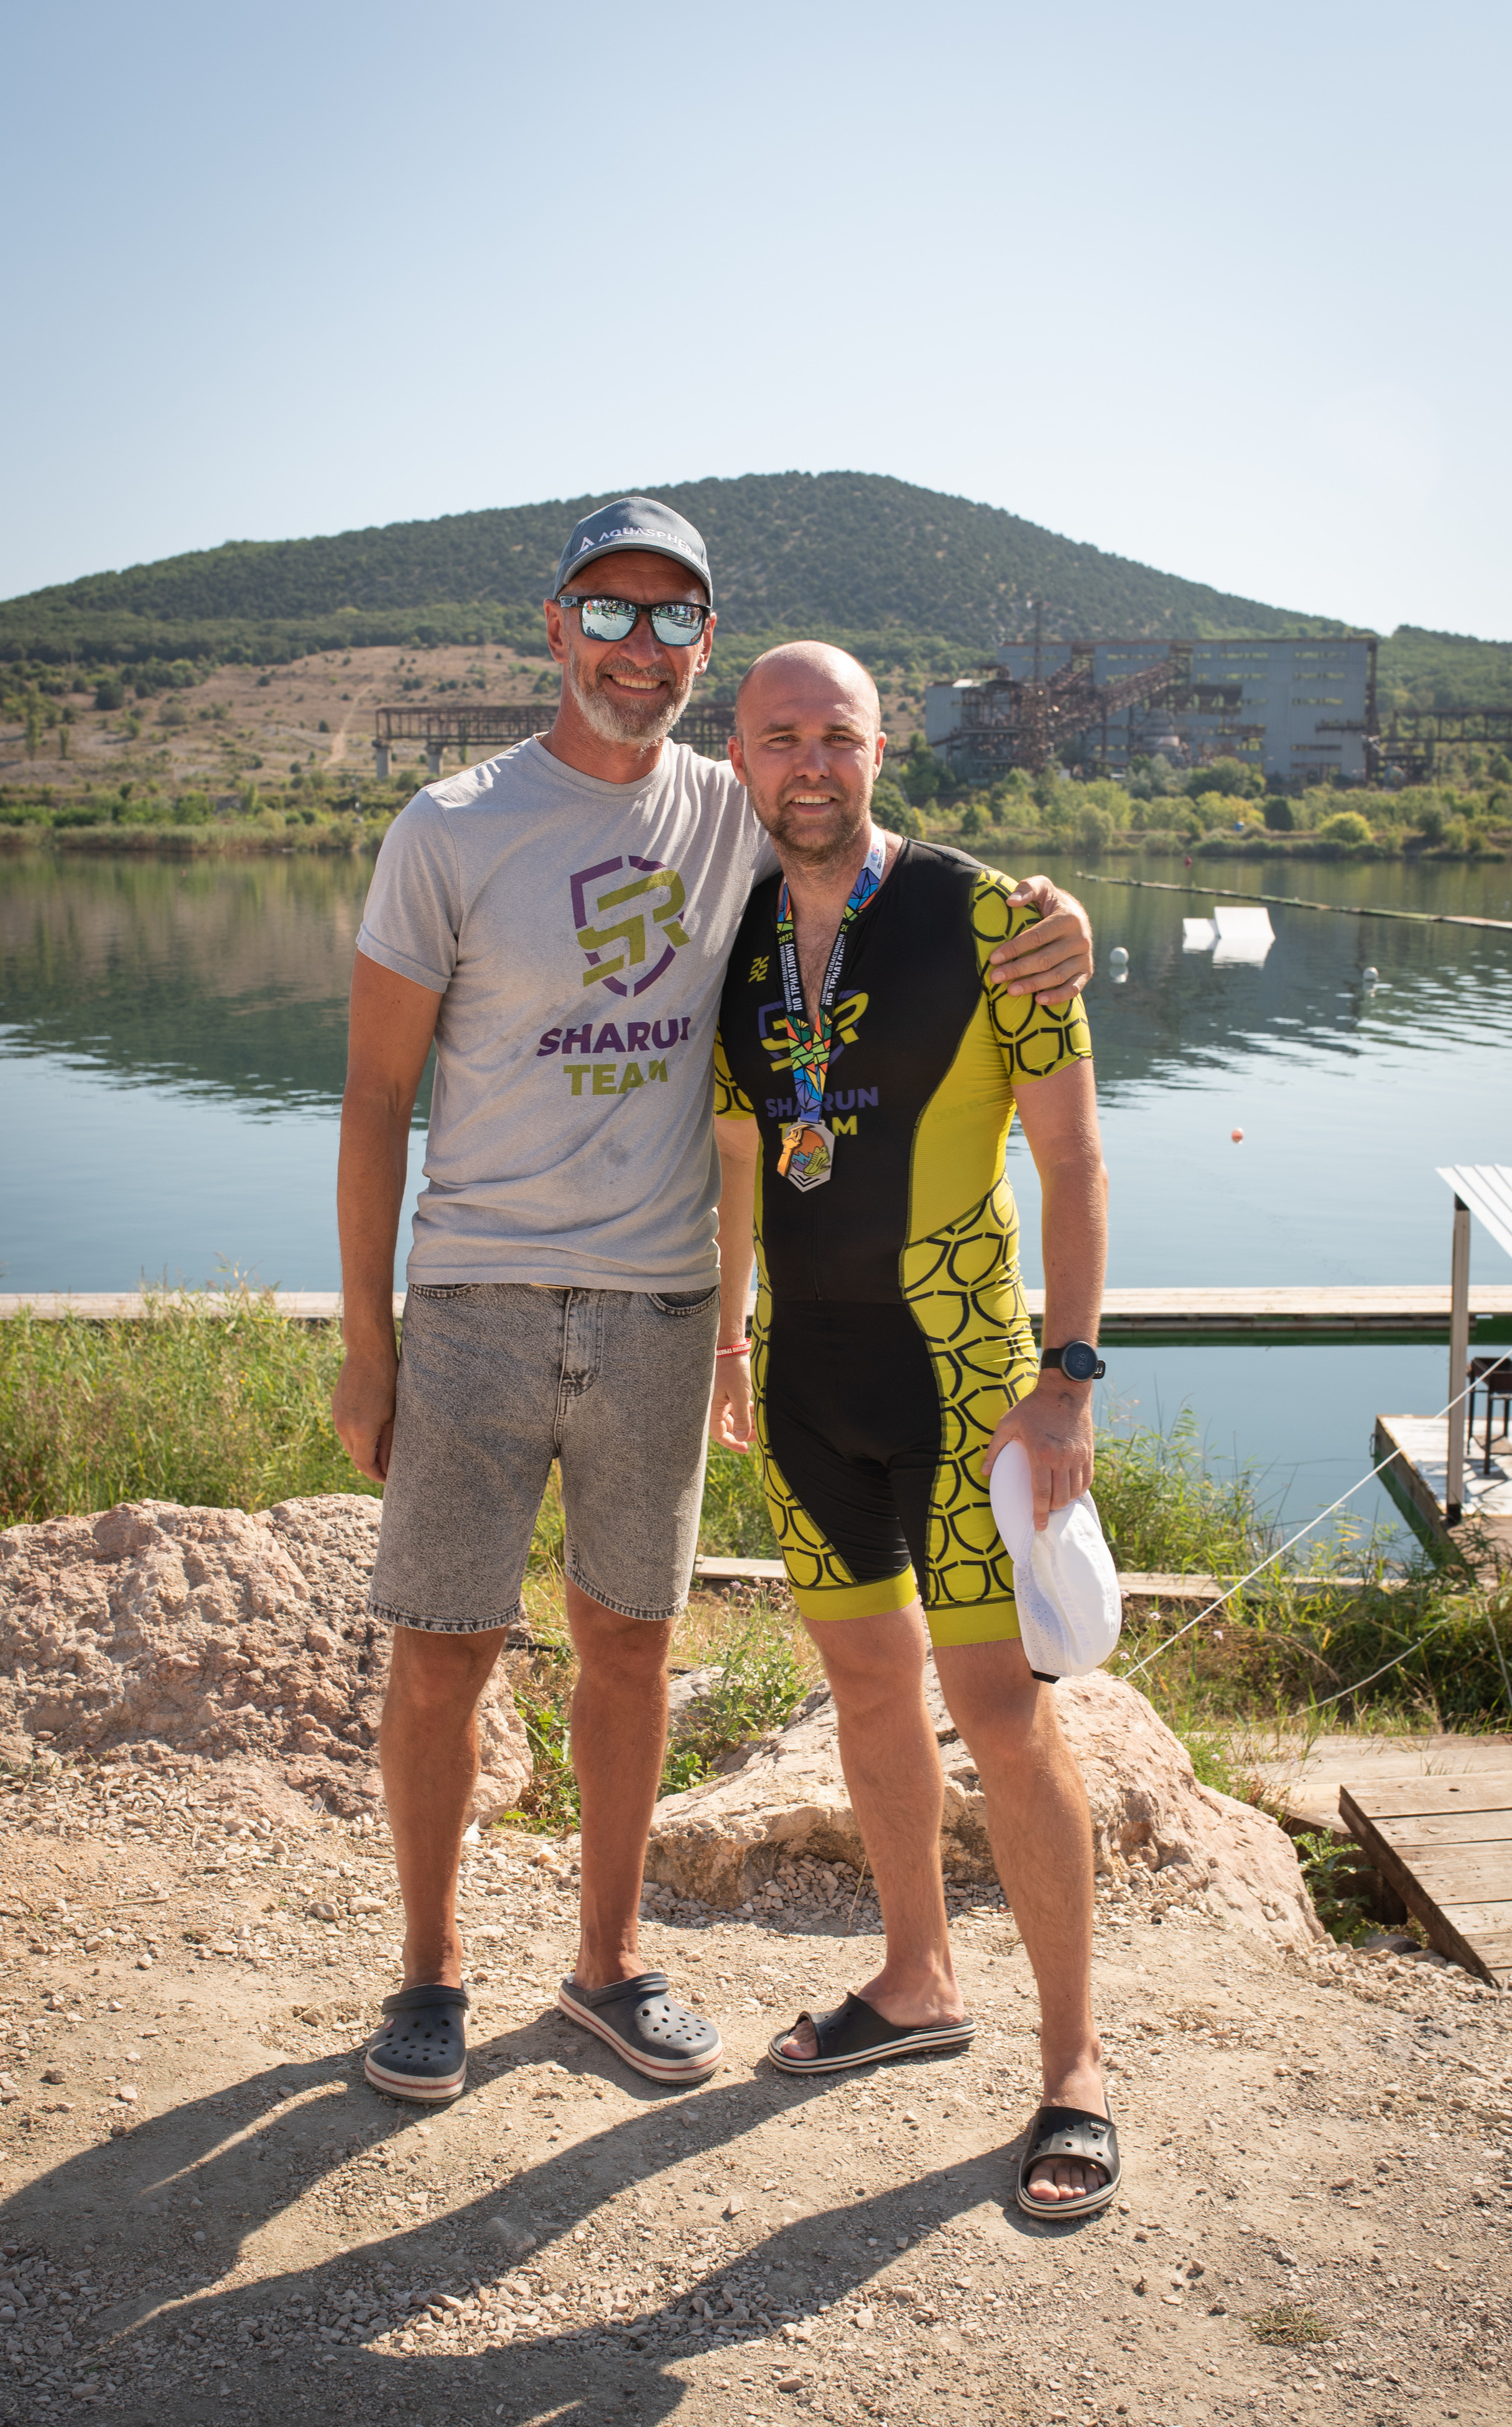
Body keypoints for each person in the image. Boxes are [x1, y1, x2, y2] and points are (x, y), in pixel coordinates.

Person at [331, 496, 1096, 2107]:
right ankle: (428, 1976)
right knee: (441, 1653)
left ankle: (609, 1968)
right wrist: (368, 1336)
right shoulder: (448, 826)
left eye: (673, 619)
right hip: (472, 1296)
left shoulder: (735, 808)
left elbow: (874, 858)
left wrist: (1065, 917)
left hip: (666, 1308)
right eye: (607, 613)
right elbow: (373, 1100)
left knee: (630, 1642)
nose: (638, 646)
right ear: (554, 628)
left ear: (708, 653)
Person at [711, 641, 1117, 2218]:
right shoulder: (727, 934)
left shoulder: (997, 922)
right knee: (865, 1685)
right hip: (806, 1387)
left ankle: (1072, 2066)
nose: (808, 765)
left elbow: (1073, 1164)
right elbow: (741, 1154)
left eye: (837, 736)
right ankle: (911, 1976)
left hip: (967, 1385)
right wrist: (735, 1334)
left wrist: (1067, 1378)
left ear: (881, 747)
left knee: (999, 1712)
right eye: (778, 739)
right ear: (739, 758)